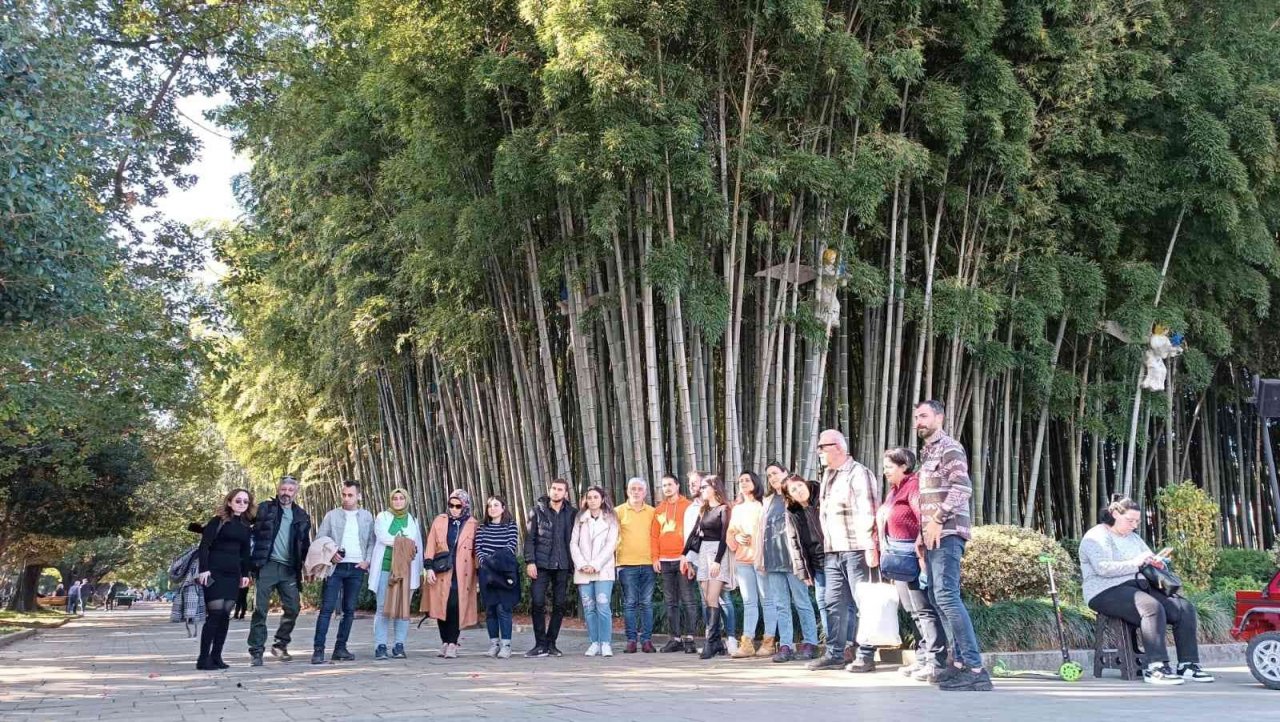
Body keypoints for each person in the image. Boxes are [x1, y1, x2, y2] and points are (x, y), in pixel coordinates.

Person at [1080, 496, 1214, 685]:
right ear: (1115, 514)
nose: (1134, 525)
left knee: (1184, 608)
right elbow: (1103, 568)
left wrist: (1157, 563)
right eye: (1130, 520)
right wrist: (1136, 563)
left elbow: (1147, 560)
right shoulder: (1096, 536)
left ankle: (1188, 665)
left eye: (1137, 521)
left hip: (1139, 585)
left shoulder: (1134, 538)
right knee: (1151, 608)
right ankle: (1156, 667)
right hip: (1105, 590)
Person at [913, 400, 992, 691]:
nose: (919, 421)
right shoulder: (927, 452)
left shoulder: (950, 447)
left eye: (924, 416)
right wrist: (922, 533)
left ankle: (975, 669)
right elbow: (928, 497)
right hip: (933, 534)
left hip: (948, 532)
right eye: (916, 417)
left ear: (940, 417)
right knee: (937, 597)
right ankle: (958, 663)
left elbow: (962, 488)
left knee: (946, 597)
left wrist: (937, 519)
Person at [807, 429, 880, 673]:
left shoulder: (859, 473)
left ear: (837, 447)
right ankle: (835, 654)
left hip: (856, 548)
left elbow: (868, 510)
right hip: (833, 550)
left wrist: (870, 545)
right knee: (833, 603)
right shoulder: (828, 474)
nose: (819, 452)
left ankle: (866, 654)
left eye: (822, 447)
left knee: (863, 602)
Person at [879, 447, 948, 682]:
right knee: (912, 611)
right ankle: (922, 656)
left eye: (889, 467)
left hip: (914, 556)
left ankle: (936, 661)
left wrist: (921, 552)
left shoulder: (914, 486)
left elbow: (924, 518)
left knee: (924, 609)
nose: (885, 471)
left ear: (904, 466)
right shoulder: (894, 490)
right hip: (899, 558)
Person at [248, 475, 312, 666]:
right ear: (278, 489)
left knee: (293, 608)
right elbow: (244, 523)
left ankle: (280, 644)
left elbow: (304, 545)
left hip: (289, 569)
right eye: (283, 489)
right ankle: (256, 651)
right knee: (260, 609)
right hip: (266, 565)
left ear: (296, 493)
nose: (286, 493)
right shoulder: (265, 508)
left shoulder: (302, 515)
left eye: (290, 490)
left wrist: (308, 567)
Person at [311, 480, 376, 664]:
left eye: (350, 495)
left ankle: (340, 648)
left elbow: (371, 541)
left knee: (349, 610)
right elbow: (320, 539)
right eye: (344, 495)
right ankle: (318, 650)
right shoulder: (331, 516)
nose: (346, 498)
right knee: (326, 609)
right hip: (335, 567)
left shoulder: (367, 516)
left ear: (359, 496)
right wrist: (331, 554)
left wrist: (367, 561)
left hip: (356, 567)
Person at [195, 489, 254, 670]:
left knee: (225, 616)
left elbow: (245, 553)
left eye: (245, 501)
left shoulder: (246, 525)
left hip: (233, 575)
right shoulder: (217, 521)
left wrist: (245, 574)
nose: (242, 504)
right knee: (215, 614)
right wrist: (203, 570)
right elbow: (204, 546)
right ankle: (203, 659)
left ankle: (216, 656)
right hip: (214, 572)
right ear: (229, 502)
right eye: (238, 500)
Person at [683, 471, 739, 655]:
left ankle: (712, 641)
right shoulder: (704, 509)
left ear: (714, 488)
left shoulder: (724, 509)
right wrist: (684, 555)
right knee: (707, 599)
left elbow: (724, 536)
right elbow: (694, 533)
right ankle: (716, 642)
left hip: (718, 554)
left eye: (704, 487)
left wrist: (717, 561)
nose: (701, 490)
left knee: (713, 598)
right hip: (703, 553)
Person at [422, 489, 479, 659]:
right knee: (441, 606)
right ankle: (445, 641)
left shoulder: (473, 524)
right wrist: (428, 567)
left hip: (463, 572)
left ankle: (453, 643)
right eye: (451, 505)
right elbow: (431, 544)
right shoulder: (440, 520)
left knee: (455, 606)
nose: (454, 509)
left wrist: (478, 576)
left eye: (458, 506)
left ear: (465, 505)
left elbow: (476, 551)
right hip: (441, 570)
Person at [369, 487, 423, 661]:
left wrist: (421, 569)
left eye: (401, 498)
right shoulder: (382, 517)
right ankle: (380, 645)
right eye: (395, 498)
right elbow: (383, 537)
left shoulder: (413, 519)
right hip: (385, 567)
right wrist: (405, 542)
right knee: (382, 607)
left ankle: (399, 644)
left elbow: (418, 544)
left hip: (407, 568)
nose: (398, 501)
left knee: (403, 607)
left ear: (406, 500)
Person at [524, 479, 576, 658]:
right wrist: (530, 561)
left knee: (559, 604)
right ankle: (540, 644)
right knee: (537, 602)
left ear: (566, 493)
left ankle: (551, 643)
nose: (556, 492)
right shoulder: (537, 511)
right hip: (541, 564)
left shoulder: (572, 513)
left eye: (560, 489)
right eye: (553, 488)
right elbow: (529, 539)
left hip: (562, 564)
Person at [727, 470, 776, 658]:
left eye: (747, 480)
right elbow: (731, 533)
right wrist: (736, 537)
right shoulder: (737, 509)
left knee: (767, 601)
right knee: (749, 602)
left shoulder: (764, 505)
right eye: (741, 481)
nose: (743, 483)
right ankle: (747, 643)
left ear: (755, 482)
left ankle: (769, 642)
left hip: (761, 559)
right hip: (743, 559)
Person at [571, 486, 620, 657]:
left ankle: (605, 643)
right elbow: (573, 543)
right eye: (589, 497)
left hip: (603, 569)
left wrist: (595, 564)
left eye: (595, 497)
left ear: (602, 499)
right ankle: (594, 642)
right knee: (589, 607)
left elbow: (611, 544)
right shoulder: (580, 518)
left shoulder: (611, 518)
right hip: (583, 569)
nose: (592, 500)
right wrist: (582, 564)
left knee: (603, 605)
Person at [781, 474, 825, 662]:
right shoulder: (792, 512)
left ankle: (848, 645)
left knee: (843, 604)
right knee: (823, 603)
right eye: (793, 490)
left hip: (834, 556)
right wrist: (803, 572)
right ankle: (833, 647)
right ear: (789, 496)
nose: (798, 490)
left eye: (799, 485)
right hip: (816, 562)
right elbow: (795, 544)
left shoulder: (822, 496)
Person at [652, 473, 698, 653]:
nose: (667, 488)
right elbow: (654, 535)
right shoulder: (659, 509)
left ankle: (690, 639)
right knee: (671, 602)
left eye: (670, 484)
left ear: (678, 486)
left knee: (688, 599)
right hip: (664, 561)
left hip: (683, 559)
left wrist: (690, 558)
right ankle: (675, 638)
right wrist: (655, 558)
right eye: (664, 485)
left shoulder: (689, 506)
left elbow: (694, 533)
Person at [615, 477, 657, 653]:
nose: (636, 492)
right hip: (626, 564)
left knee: (646, 603)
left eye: (640, 489)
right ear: (627, 491)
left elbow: (657, 537)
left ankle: (647, 640)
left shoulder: (653, 512)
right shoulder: (618, 511)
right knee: (630, 603)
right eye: (633, 488)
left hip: (648, 563)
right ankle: (631, 640)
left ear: (645, 492)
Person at [476, 496, 520, 659]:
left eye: (496, 505)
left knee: (503, 608)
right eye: (490, 506)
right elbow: (479, 549)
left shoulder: (511, 526)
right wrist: (487, 562)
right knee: (490, 609)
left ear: (503, 508)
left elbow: (510, 546)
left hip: (504, 572)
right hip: (486, 573)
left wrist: (493, 561)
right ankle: (494, 644)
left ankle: (506, 645)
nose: (492, 508)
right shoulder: (482, 527)